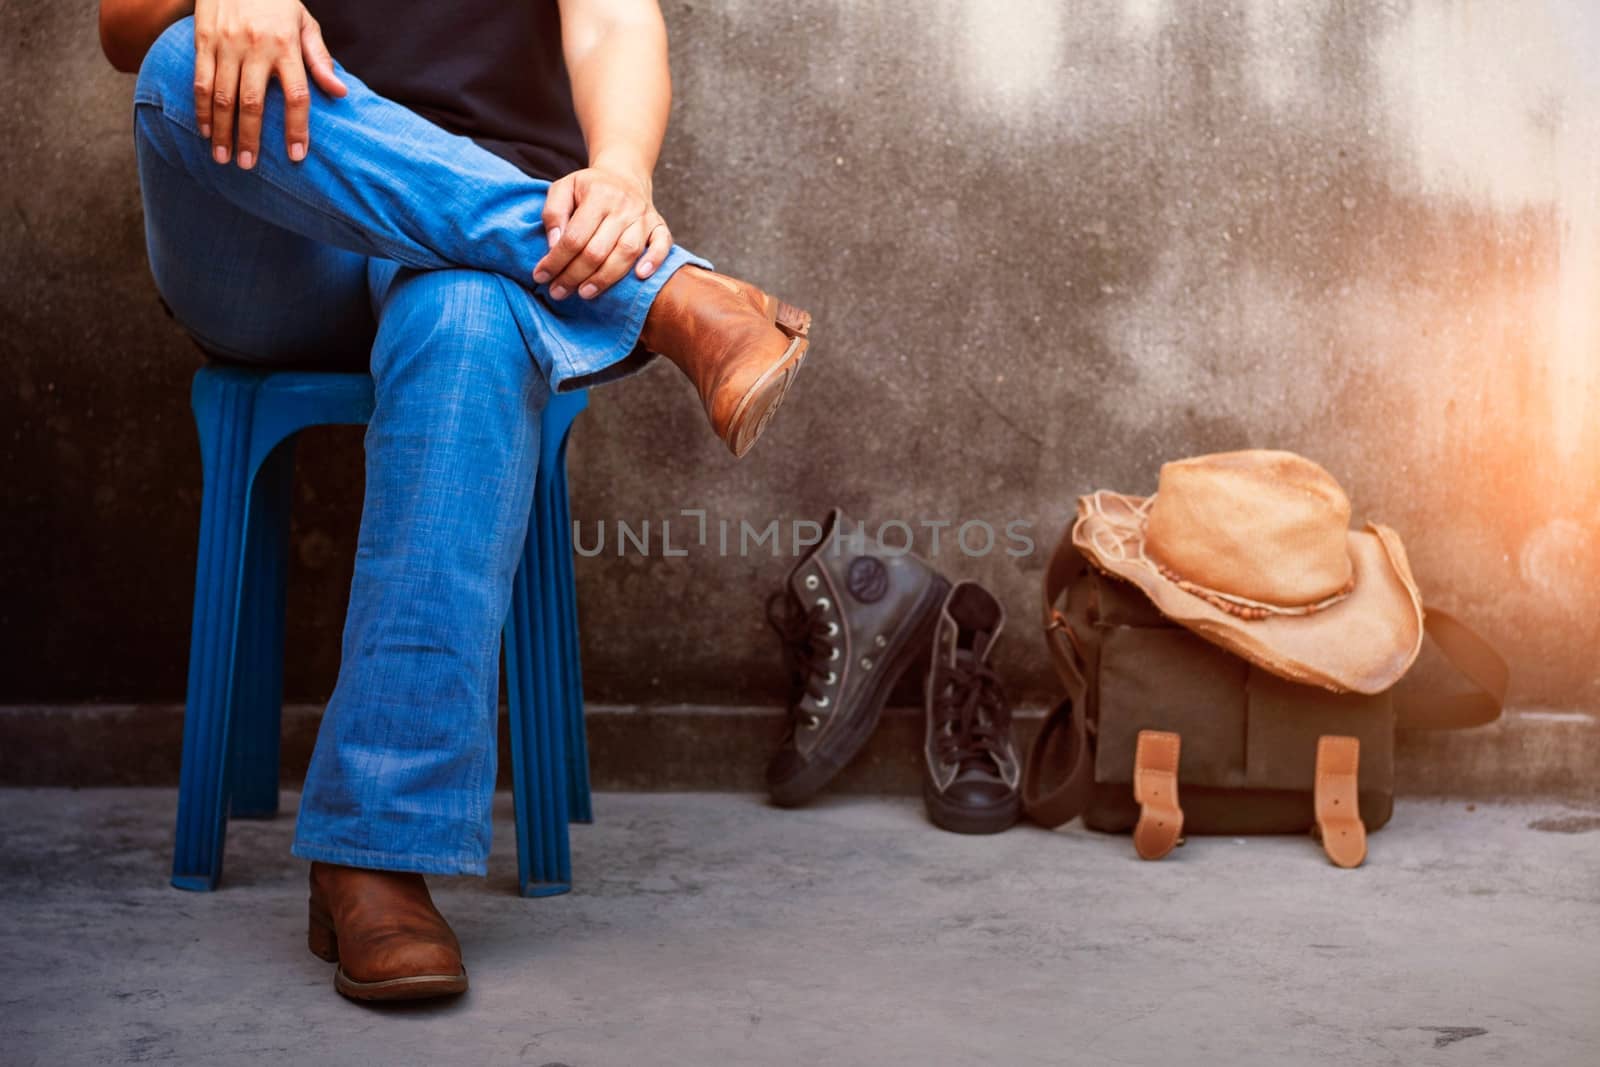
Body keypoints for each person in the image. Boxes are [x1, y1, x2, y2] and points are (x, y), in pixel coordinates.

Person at [98, 0, 812, 1001]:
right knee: (181, 61)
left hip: (477, 244)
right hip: (273, 222)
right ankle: (667, 296)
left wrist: (619, 173)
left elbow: (611, 24)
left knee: (474, 319)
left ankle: (374, 854)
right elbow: (124, 31)